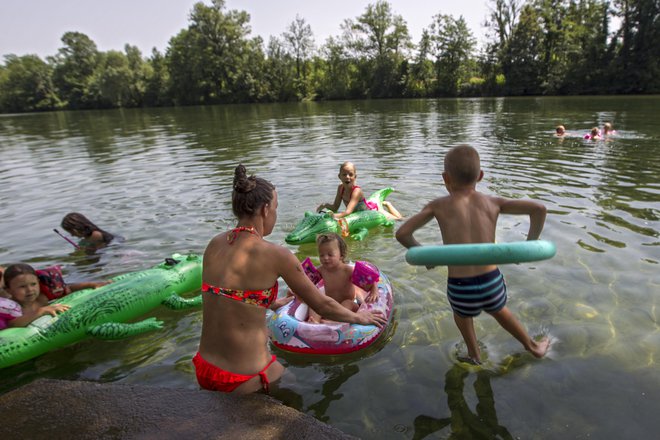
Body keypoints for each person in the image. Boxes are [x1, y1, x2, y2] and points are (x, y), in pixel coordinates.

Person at [195, 164, 387, 394]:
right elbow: (322, 304)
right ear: (265, 210)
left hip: (204, 368)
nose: (275, 214)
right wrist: (359, 316)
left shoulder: (214, 244)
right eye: (276, 208)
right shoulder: (276, 255)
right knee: (301, 392)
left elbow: (229, 293)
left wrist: (271, 303)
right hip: (245, 377)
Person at [395, 145, 550, 365]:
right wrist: (529, 244)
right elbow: (539, 209)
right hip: (490, 280)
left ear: (445, 178)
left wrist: (425, 255)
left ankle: (474, 354)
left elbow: (402, 233)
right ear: (481, 176)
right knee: (500, 311)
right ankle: (532, 346)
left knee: (462, 315)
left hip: (459, 284)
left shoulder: (438, 205)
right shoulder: (493, 202)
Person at [306, 233, 379, 324]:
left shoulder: (347, 270)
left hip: (349, 307)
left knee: (347, 302)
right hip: (330, 306)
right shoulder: (322, 270)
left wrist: (374, 291)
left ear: (341, 255)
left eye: (330, 254)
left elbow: (370, 281)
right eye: (321, 255)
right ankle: (314, 321)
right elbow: (307, 283)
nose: (325, 258)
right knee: (315, 302)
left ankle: (331, 322)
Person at [316, 161, 403, 221]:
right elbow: (335, 207)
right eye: (344, 174)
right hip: (357, 215)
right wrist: (325, 205)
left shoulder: (356, 191)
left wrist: (333, 216)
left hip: (371, 212)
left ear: (355, 177)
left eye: (350, 174)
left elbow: (348, 212)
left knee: (399, 219)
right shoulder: (340, 188)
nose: (347, 177)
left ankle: (388, 204)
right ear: (339, 176)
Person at [2, 263, 70, 327]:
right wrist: (40, 311)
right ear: (8, 290)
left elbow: (70, 288)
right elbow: (12, 324)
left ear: (38, 282)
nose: (30, 290)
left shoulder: (42, 298)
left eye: (33, 284)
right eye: (22, 286)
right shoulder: (9, 307)